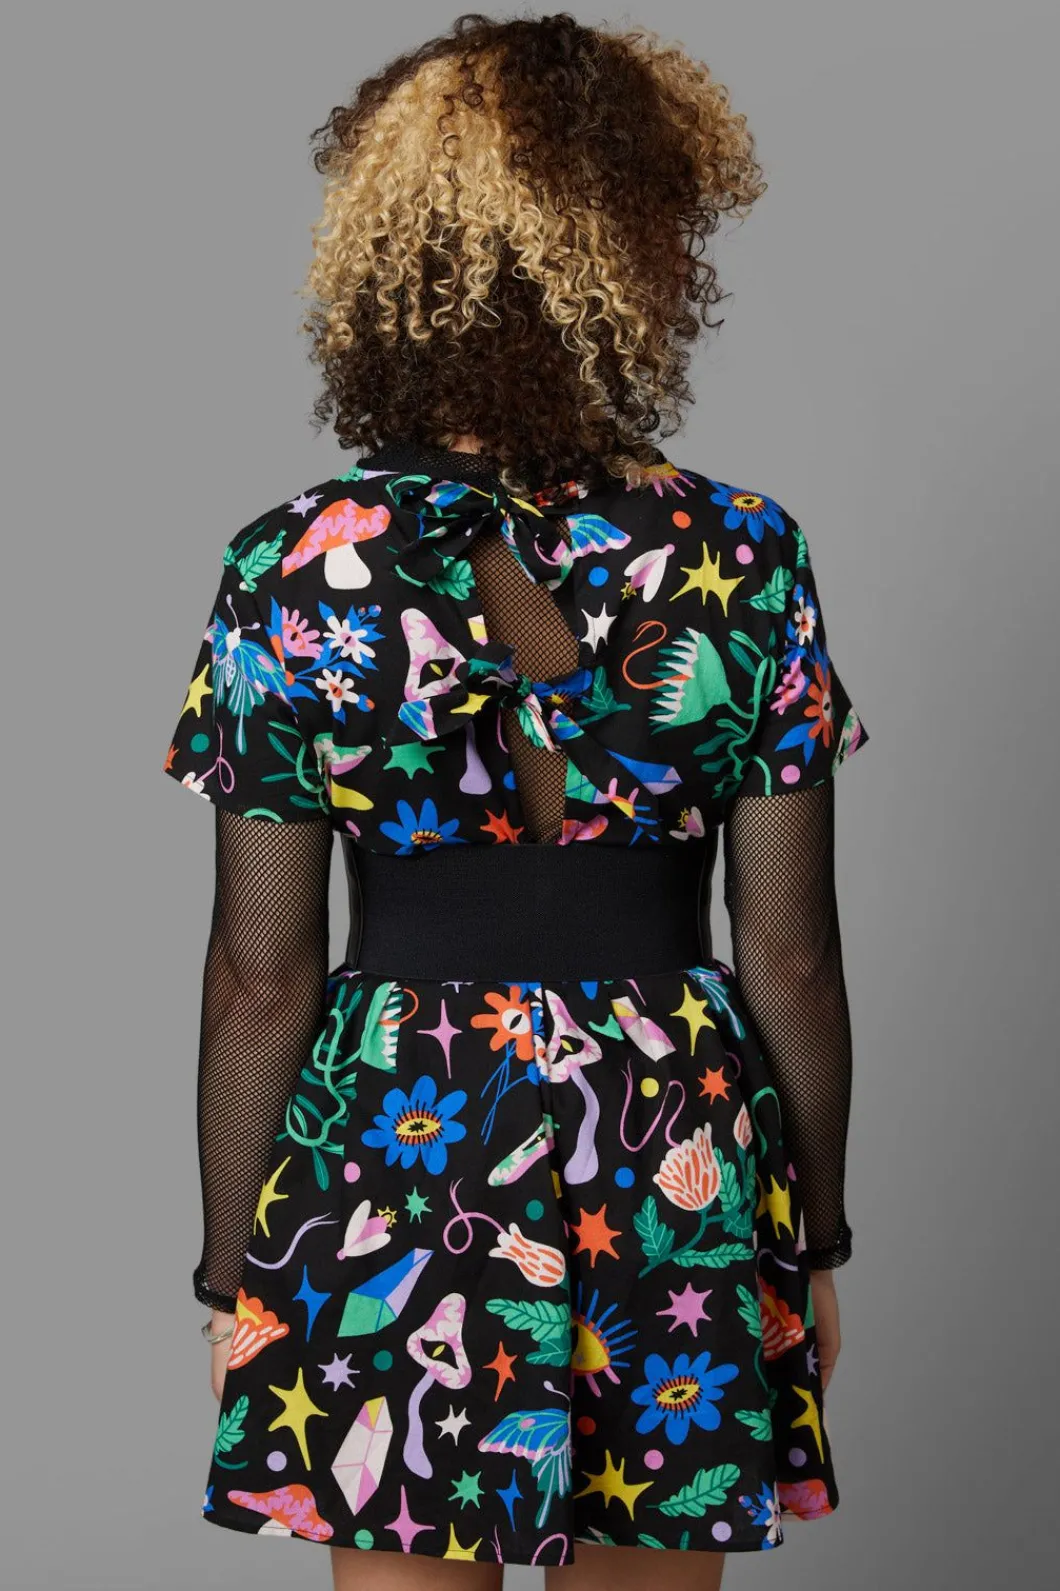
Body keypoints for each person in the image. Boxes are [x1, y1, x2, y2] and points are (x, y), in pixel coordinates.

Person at [162, 13, 870, 1590]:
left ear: (394, 261)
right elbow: (792, 958)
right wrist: (811, 1238)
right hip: (668, 1145)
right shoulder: (744, 551)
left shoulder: (295, 563)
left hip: (396, 1147)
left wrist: (233, 1276)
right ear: (637, 249)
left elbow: (260, 976)